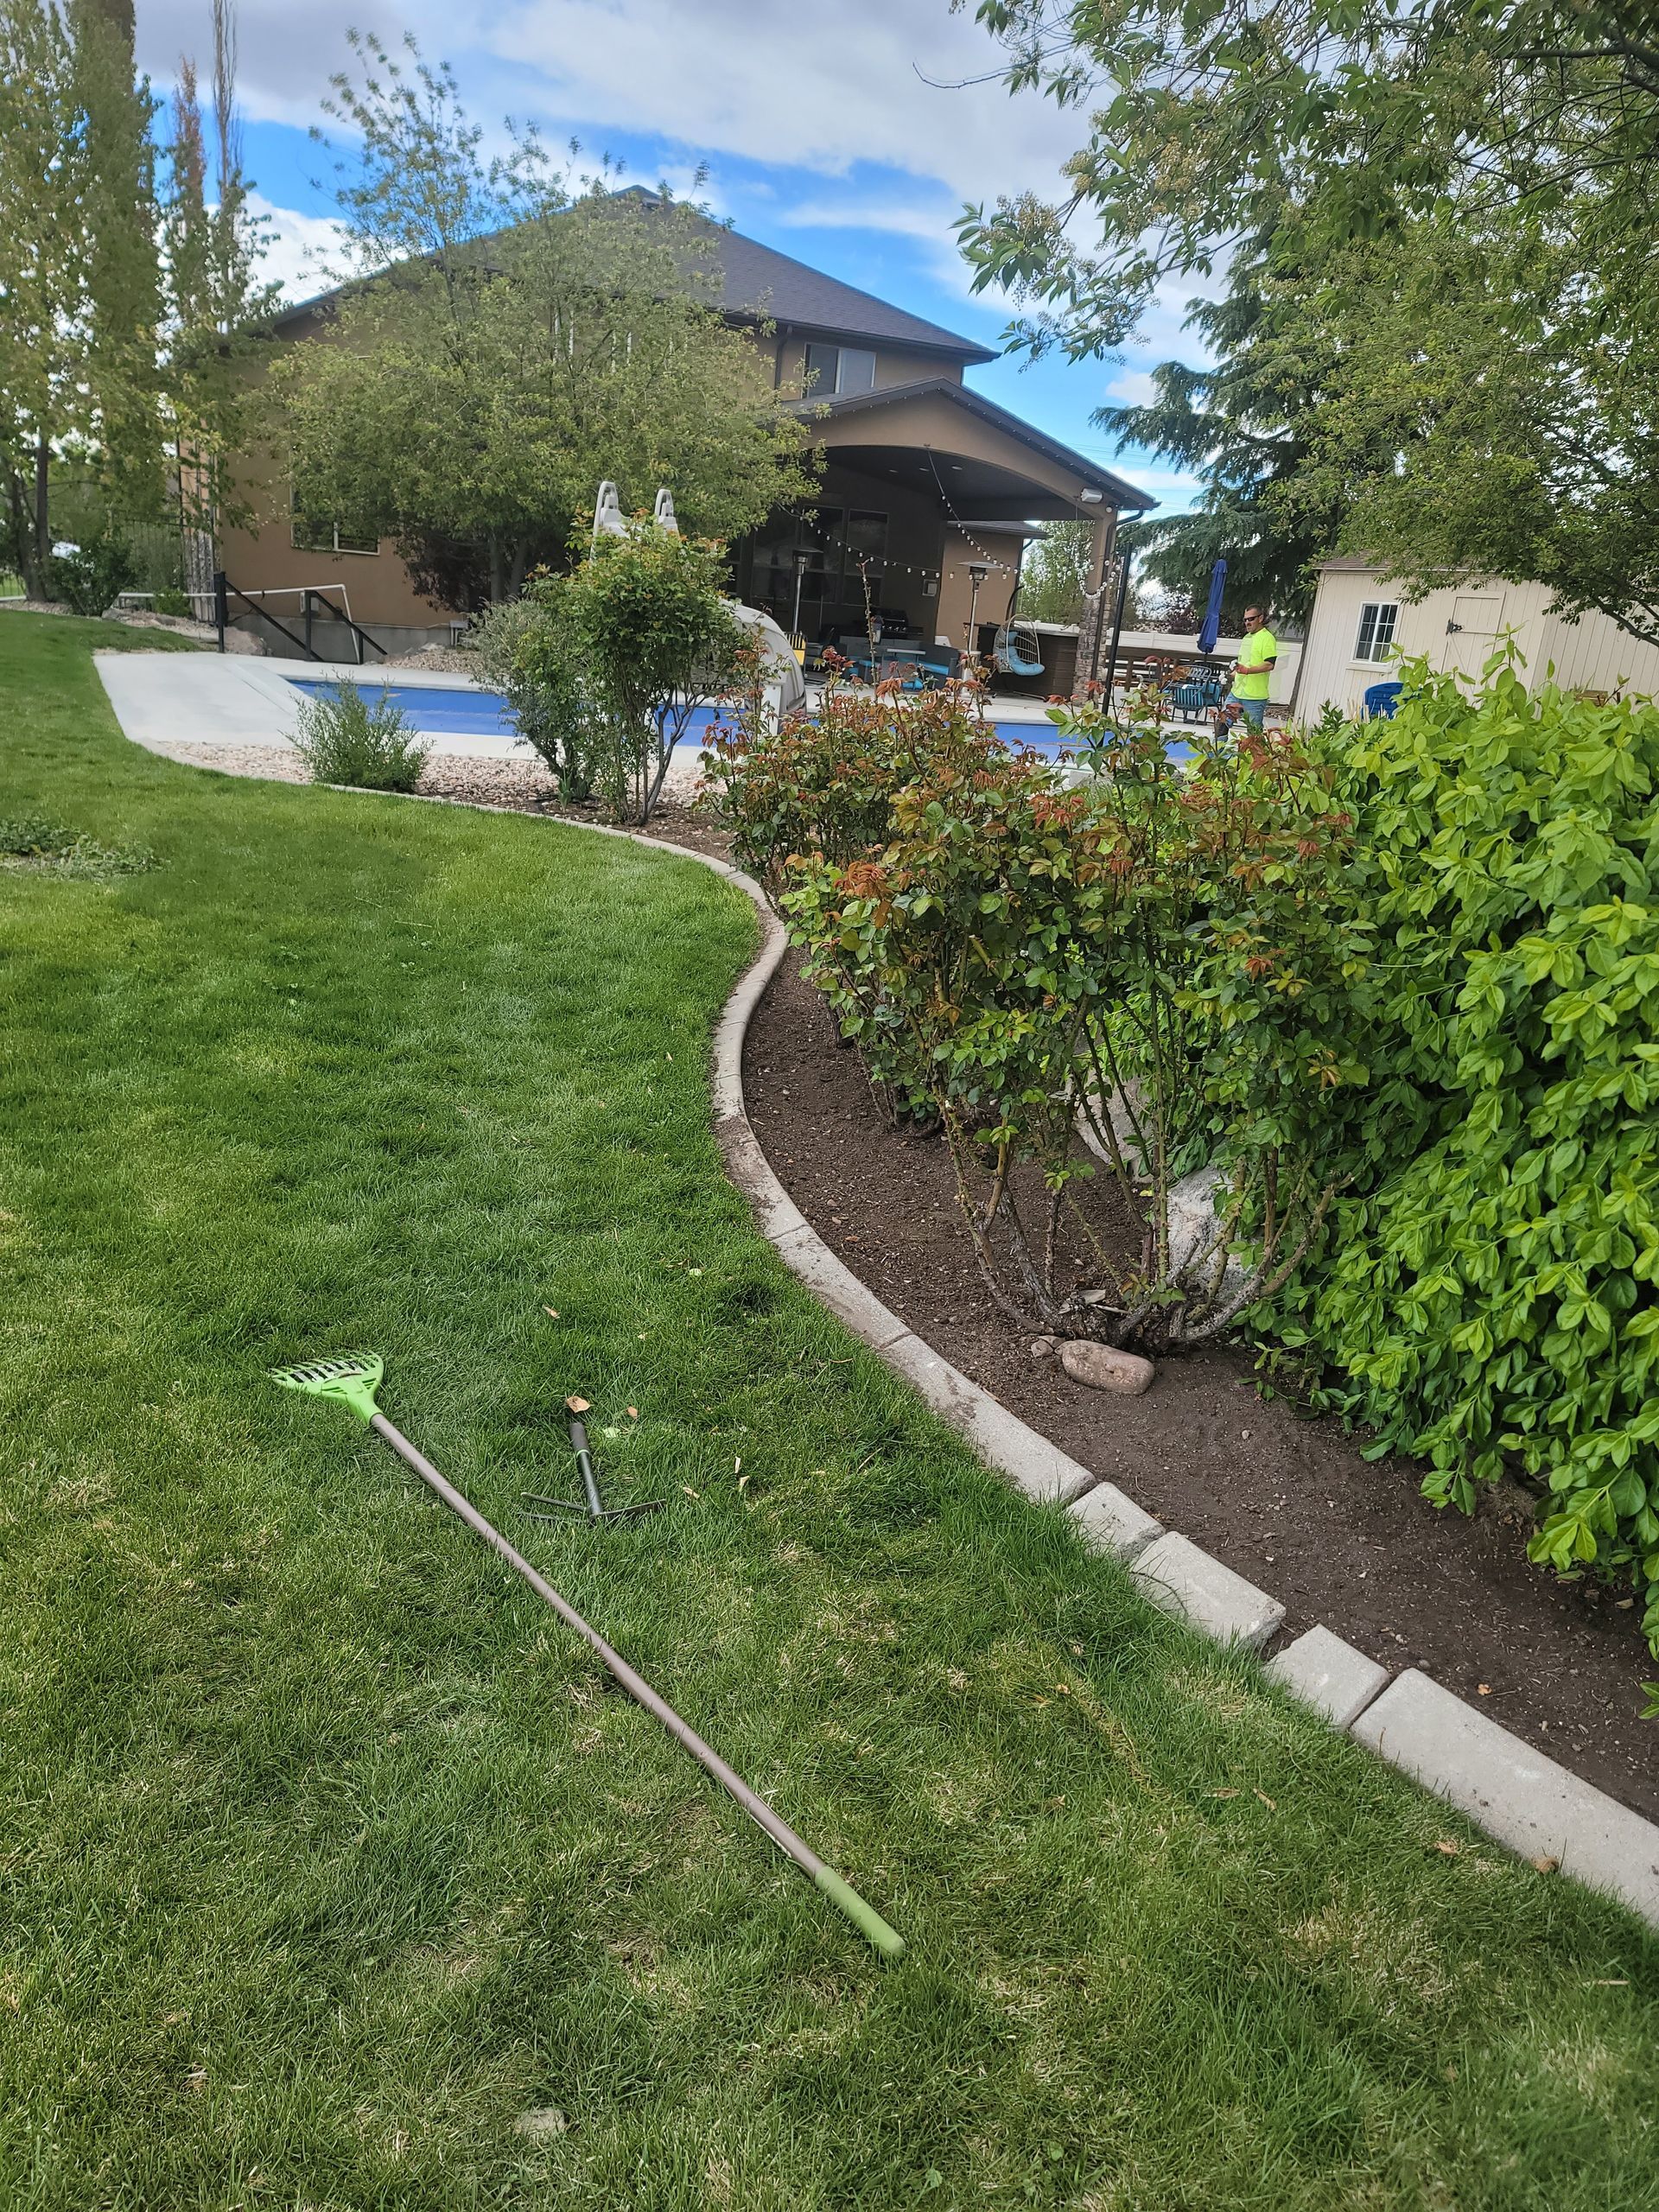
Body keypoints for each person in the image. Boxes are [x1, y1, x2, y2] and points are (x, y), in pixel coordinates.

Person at [1229, 604, 1278, 732]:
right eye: (1245, 620)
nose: (1247, 622)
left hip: (1255, 697)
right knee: (1222, 724)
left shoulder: (1267, 638)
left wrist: (1248, 671)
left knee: (1254, 733)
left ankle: (1255, 752)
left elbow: (1269, 664)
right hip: (1236, 692)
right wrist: (1234, 673)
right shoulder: (1247, 638)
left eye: (1251, 619)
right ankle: (1214, 753)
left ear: (1260, 618)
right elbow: (1243, 663)